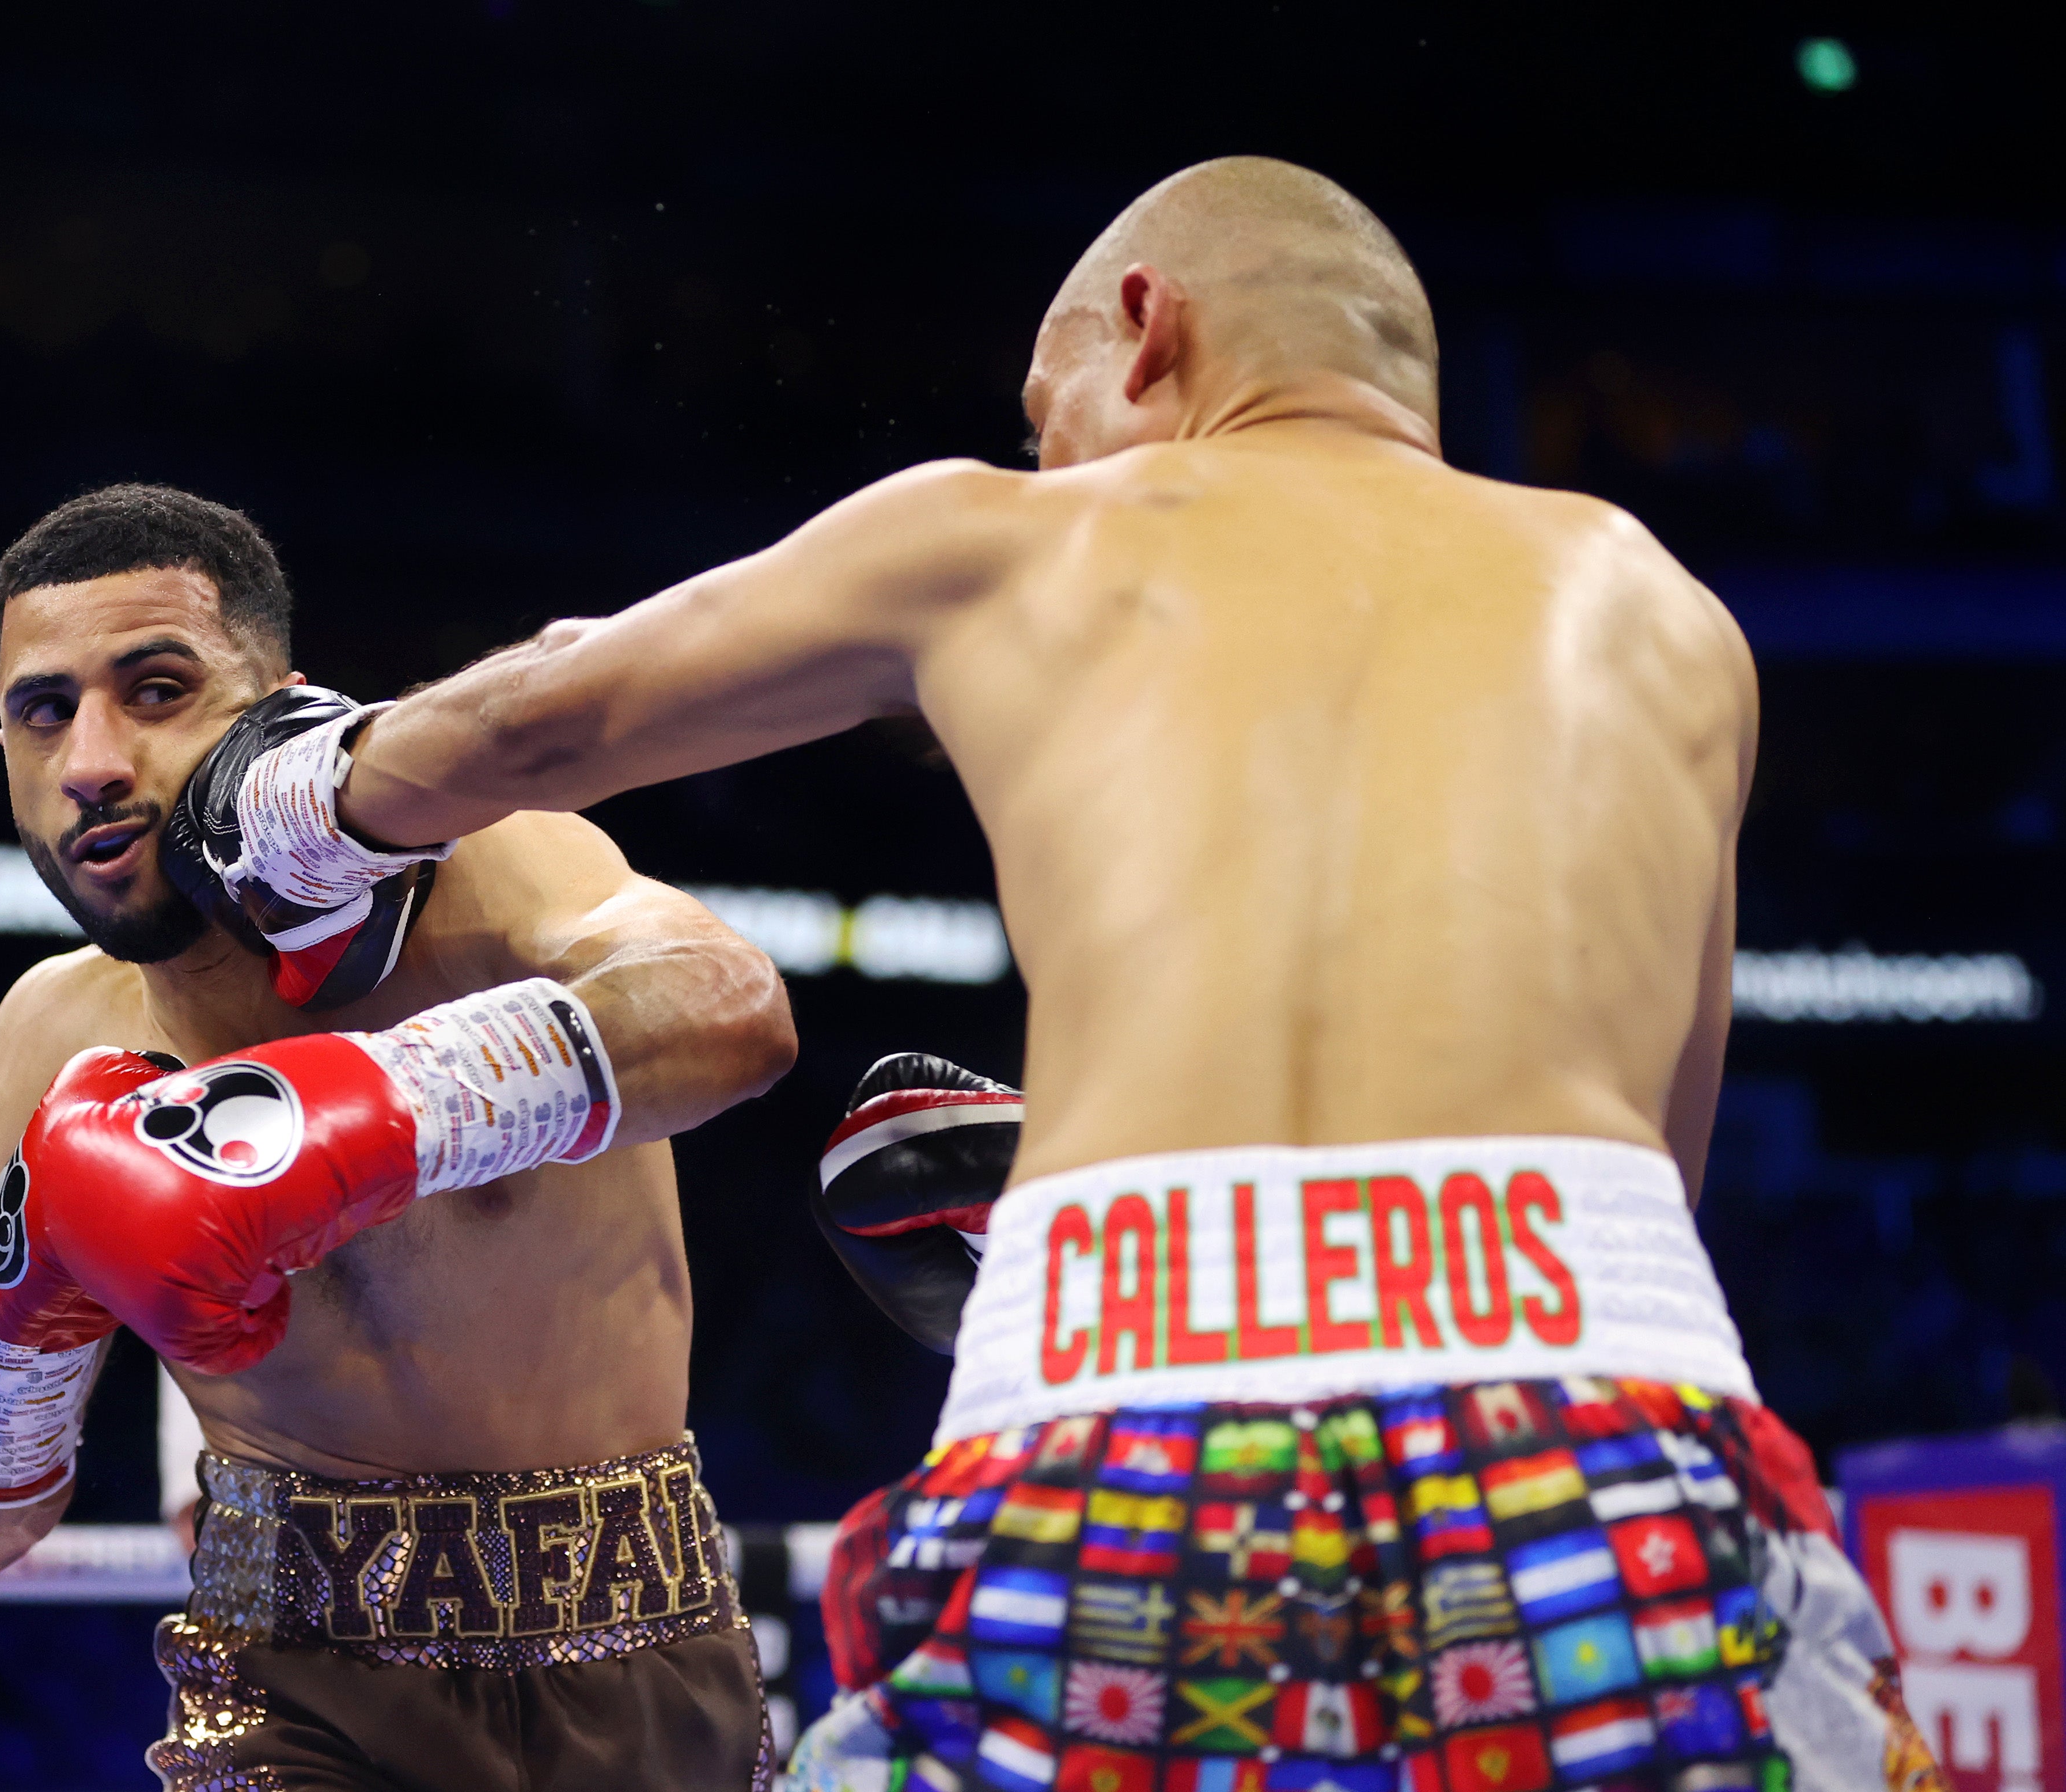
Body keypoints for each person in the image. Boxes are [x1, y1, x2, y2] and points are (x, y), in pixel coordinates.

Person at [323, 160, 1947, 1792]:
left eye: (1052, 412)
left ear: (1147, 325)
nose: (1049, 459)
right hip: (1597, 1434)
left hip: (1122, 1424)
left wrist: (284, 803)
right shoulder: (1664, 614)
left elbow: (546, 721)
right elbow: (1655, 1172)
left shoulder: (1007, 538)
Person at [0, 484, 797, 1791]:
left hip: (642, 1651)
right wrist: (9, 1314)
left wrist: (354, 1119)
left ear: (278, 707)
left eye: (154, 689)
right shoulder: (50, 1040)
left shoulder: (491, 880)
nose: (92, 757)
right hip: (287, 1684)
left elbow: (731, 1013)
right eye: (46, 710)